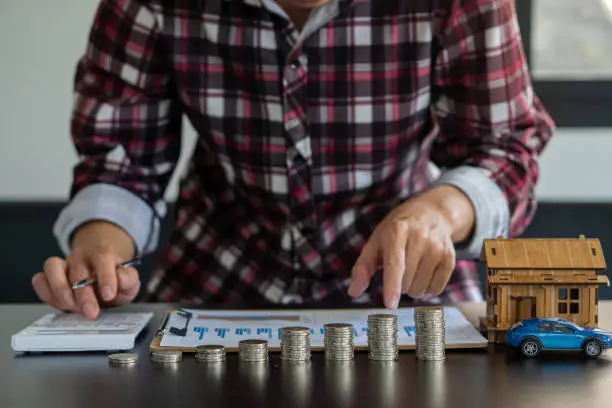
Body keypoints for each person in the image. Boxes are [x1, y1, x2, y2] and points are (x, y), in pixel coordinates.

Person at [32, 0, 555, 320]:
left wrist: (439, 213)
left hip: (410, 293)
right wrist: (100, 246)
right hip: (213, 284)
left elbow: (506, 143)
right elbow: (122, 158)